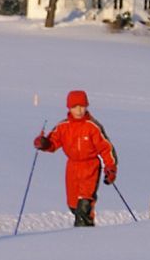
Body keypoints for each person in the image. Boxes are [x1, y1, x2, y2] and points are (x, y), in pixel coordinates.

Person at [33, 90, 119, 226]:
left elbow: (106, 148)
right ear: (69, 108)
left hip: (90, 167)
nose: (79, 110)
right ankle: (81, 227)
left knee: (84, 205)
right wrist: (44, 143)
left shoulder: (93, 127)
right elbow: (53, 143)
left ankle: (84, 237)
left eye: (82, 106)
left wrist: (110, 168)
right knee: (73, 205)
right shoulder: (63, 127)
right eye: (75, 107)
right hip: (72, 168)